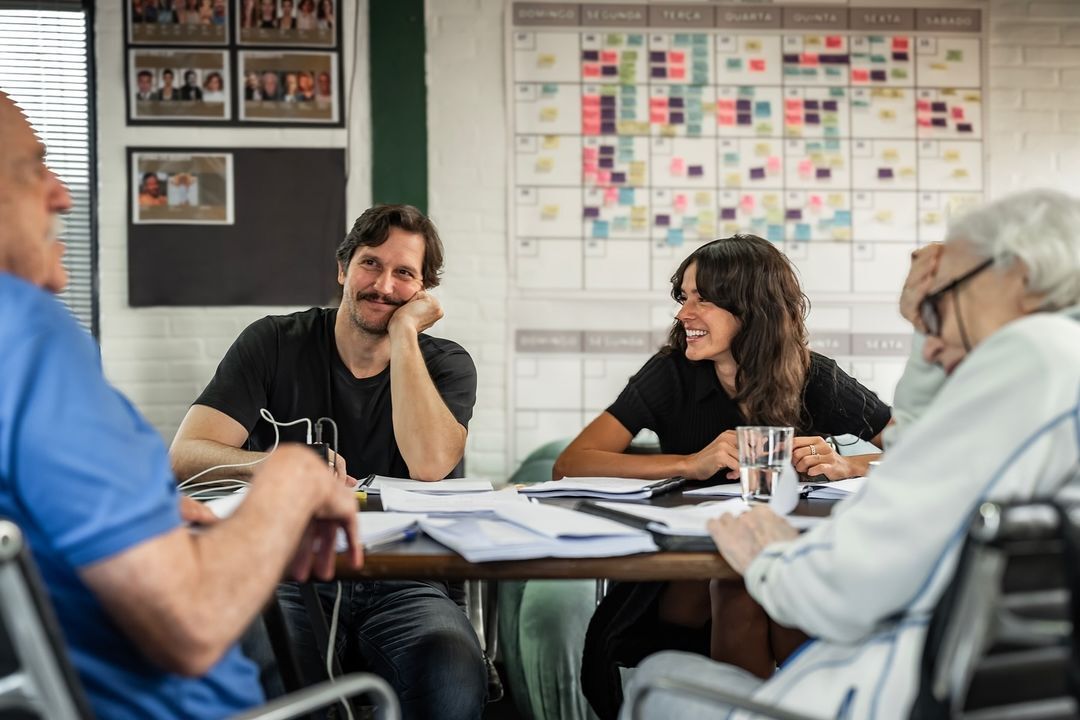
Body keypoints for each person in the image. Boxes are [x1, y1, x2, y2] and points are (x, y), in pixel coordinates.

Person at [623, 189, 1080, 720]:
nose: (932, 336)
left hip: (884, 694)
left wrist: (772, 557)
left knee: (657, 678)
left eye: (946, 292)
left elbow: (837, 591)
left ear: (1017, 276)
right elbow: (921, 453)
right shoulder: (1056, 361)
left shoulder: (1032, 355)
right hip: (939, 675)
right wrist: (927, 327)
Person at [0, 90, 362, 720]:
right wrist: (296, 474)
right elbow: (190, 622)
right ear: (342, 271)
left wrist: (148, 511)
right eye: (33, 169)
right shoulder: (27, 337)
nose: (60, 194)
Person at [516, 235, 891, 720]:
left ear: (752, 309)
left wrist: (850, 465)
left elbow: (921, 450)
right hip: (688, 570)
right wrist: (688, 463)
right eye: (684, 297)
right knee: (744, 583)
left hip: (782, 557)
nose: (683, 313)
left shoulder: (815, 377)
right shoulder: (670, 374)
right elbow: (572, 462)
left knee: (766, 585)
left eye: (703, 300)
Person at [170, 204, 487, 719]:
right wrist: (281, 466)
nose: (383, 285)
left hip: (406, 580)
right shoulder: (272, 342)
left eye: (404, 273)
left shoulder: (446, 363)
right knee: (278, 675)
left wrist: (405, 336)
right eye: (370, 264)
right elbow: (186, 456)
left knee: (453, 676)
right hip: (288, 569)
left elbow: (430, 464)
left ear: (423, 292)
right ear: (343, 268)